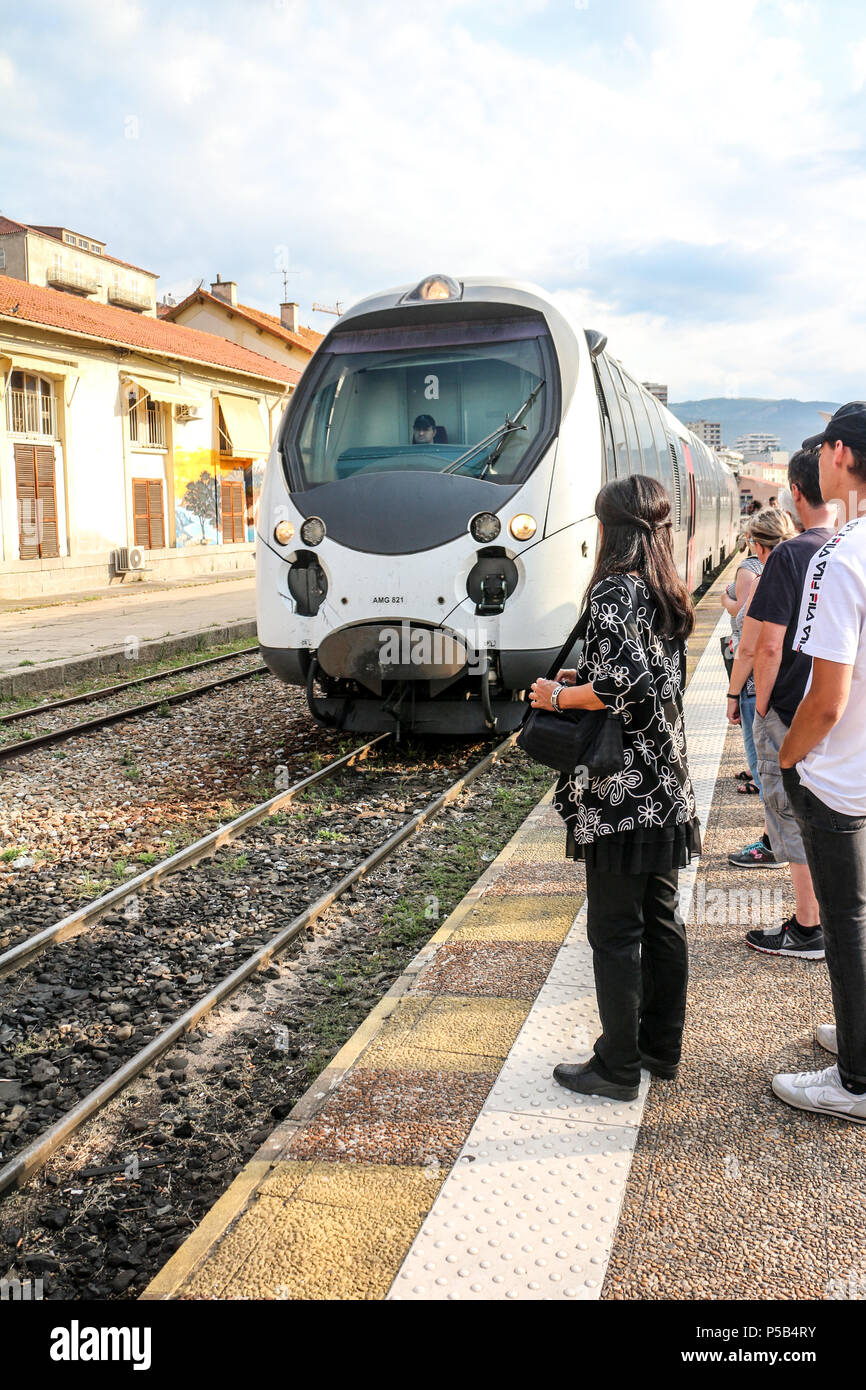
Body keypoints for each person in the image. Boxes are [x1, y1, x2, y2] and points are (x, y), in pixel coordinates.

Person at [530, 475, 700, 1102]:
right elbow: (647, 676)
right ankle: (660, 1046)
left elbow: (617, 685)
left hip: (620, 794)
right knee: (659, 919)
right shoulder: (664, 591)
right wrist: (587, 675)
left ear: (610, 530)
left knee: (615, 931)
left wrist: (556, 694)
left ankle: (617, 1066)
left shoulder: (612, 591)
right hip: (665, 784)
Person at [773, 402, 866, 1122]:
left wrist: (789, 759)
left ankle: (855, 1079)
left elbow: (826, 698)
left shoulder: (844, 560)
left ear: (838, 454)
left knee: (847, 925)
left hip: (843, 777)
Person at [732, 448, 835, 954]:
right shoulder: (846, 546)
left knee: (789, 811)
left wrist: (760, 702)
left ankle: (808, 925)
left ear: (795, 491)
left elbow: (765, 644)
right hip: (838, 705)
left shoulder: (789, 557)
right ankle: (838, 916)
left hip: (793, 707)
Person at [726, 509, 796, 807]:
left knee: (766, 770)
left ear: (757, 544)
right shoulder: (803, 570)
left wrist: (732, 694)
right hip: (791, 682)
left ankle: (771, 843)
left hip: (758, 689)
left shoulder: (761, 580)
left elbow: (750, 649)